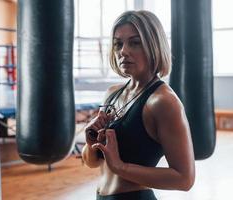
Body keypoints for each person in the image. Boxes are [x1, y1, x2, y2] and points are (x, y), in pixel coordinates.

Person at [81, 10, 195, 200]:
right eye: (118, 44)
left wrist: (122, 168)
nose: (123, 51)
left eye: (135, 43)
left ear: (153, 45)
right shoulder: (112, 94)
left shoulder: (163, 101)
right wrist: (91, 142)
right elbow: (92, 163)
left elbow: (185, 179)